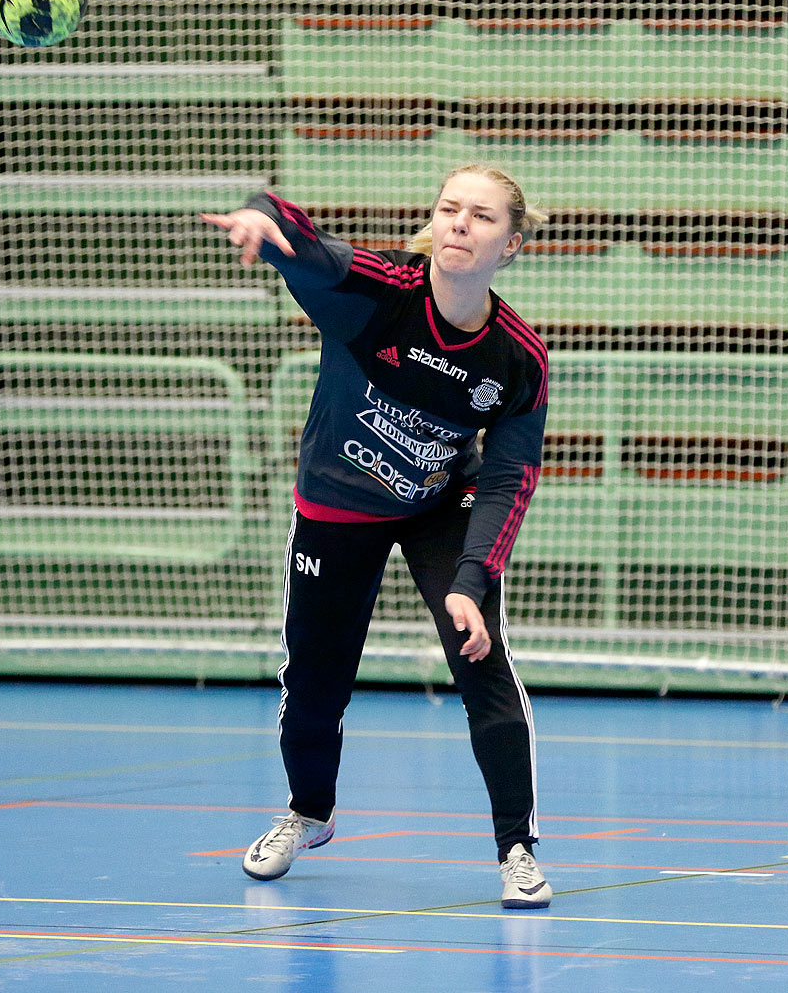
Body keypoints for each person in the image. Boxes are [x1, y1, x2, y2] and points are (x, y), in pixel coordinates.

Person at [200, 164, 552, 909]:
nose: (459, 222)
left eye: (481, 217)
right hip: (335, 506)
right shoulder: (377, 292)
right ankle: (308, 811)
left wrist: (472, 579)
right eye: (450, 208)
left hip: (435, 507)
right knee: (314, 683)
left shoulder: (517, 360)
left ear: (510, 245)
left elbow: (509, 476)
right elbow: (304, 237)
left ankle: (517, 847)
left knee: (481, 660)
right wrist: (264, 223)